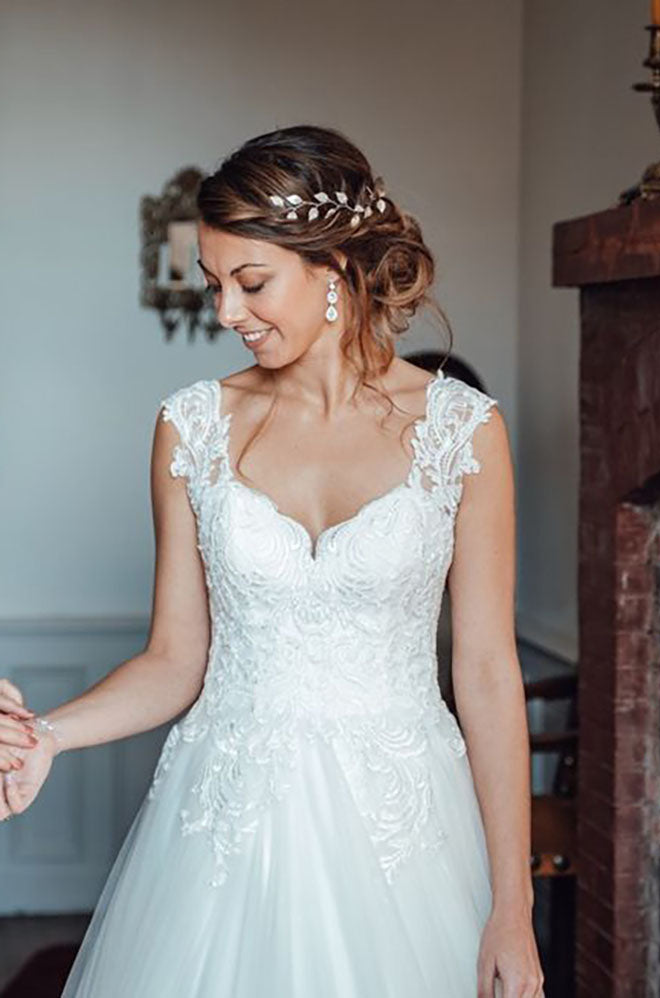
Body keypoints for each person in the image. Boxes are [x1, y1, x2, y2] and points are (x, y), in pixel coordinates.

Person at [0, 125, 544, 998]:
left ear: (335, 267)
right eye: (216, 286)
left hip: (406, 830)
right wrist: (50, 738)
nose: (225, 314)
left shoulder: (465, 432)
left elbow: (485, 670)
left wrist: (512, 909)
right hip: (224, 831)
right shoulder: (192, 427)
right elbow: (176, 660)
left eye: (251, 283)